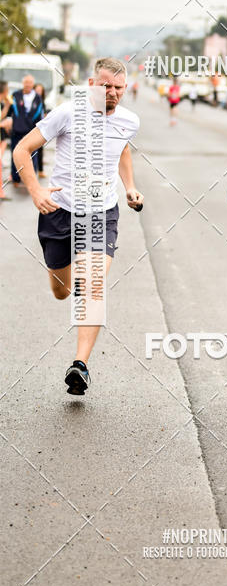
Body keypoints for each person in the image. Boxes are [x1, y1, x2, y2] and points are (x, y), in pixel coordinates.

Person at [13, 57, 143, 395]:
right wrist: (36, 190)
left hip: (101, 213)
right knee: (63, 291)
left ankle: (80, 365)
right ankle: (61, 278)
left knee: (92, 283)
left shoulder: (129, 121)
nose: (112, 92)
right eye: (105, 86)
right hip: (59, 211)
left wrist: (128, 186)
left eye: (117, 87)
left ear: (125, 88)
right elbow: (22, 149)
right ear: (91, 85)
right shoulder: (68, 112)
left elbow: (122, 151)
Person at [7, 75, 44, 188]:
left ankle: (30, 180)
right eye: (26, 82)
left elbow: (40, 116)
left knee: (32, 156)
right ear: (23, 83)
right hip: (17, 131)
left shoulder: (38, 98)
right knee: (15, 155)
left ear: (33, 84)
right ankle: (16, 178)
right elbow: (9, 112)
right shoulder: (15, 95)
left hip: (31, 132)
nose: (27, 85)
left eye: (30, 83)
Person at [34, 84, 47, 178]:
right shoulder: (32, 101)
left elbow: (45, 114)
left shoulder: (42, 102)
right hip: (31, 128)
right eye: (37, 90)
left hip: (41, 129)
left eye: (40, 90)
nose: (38, 92)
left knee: (40, 150)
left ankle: (41, 171)